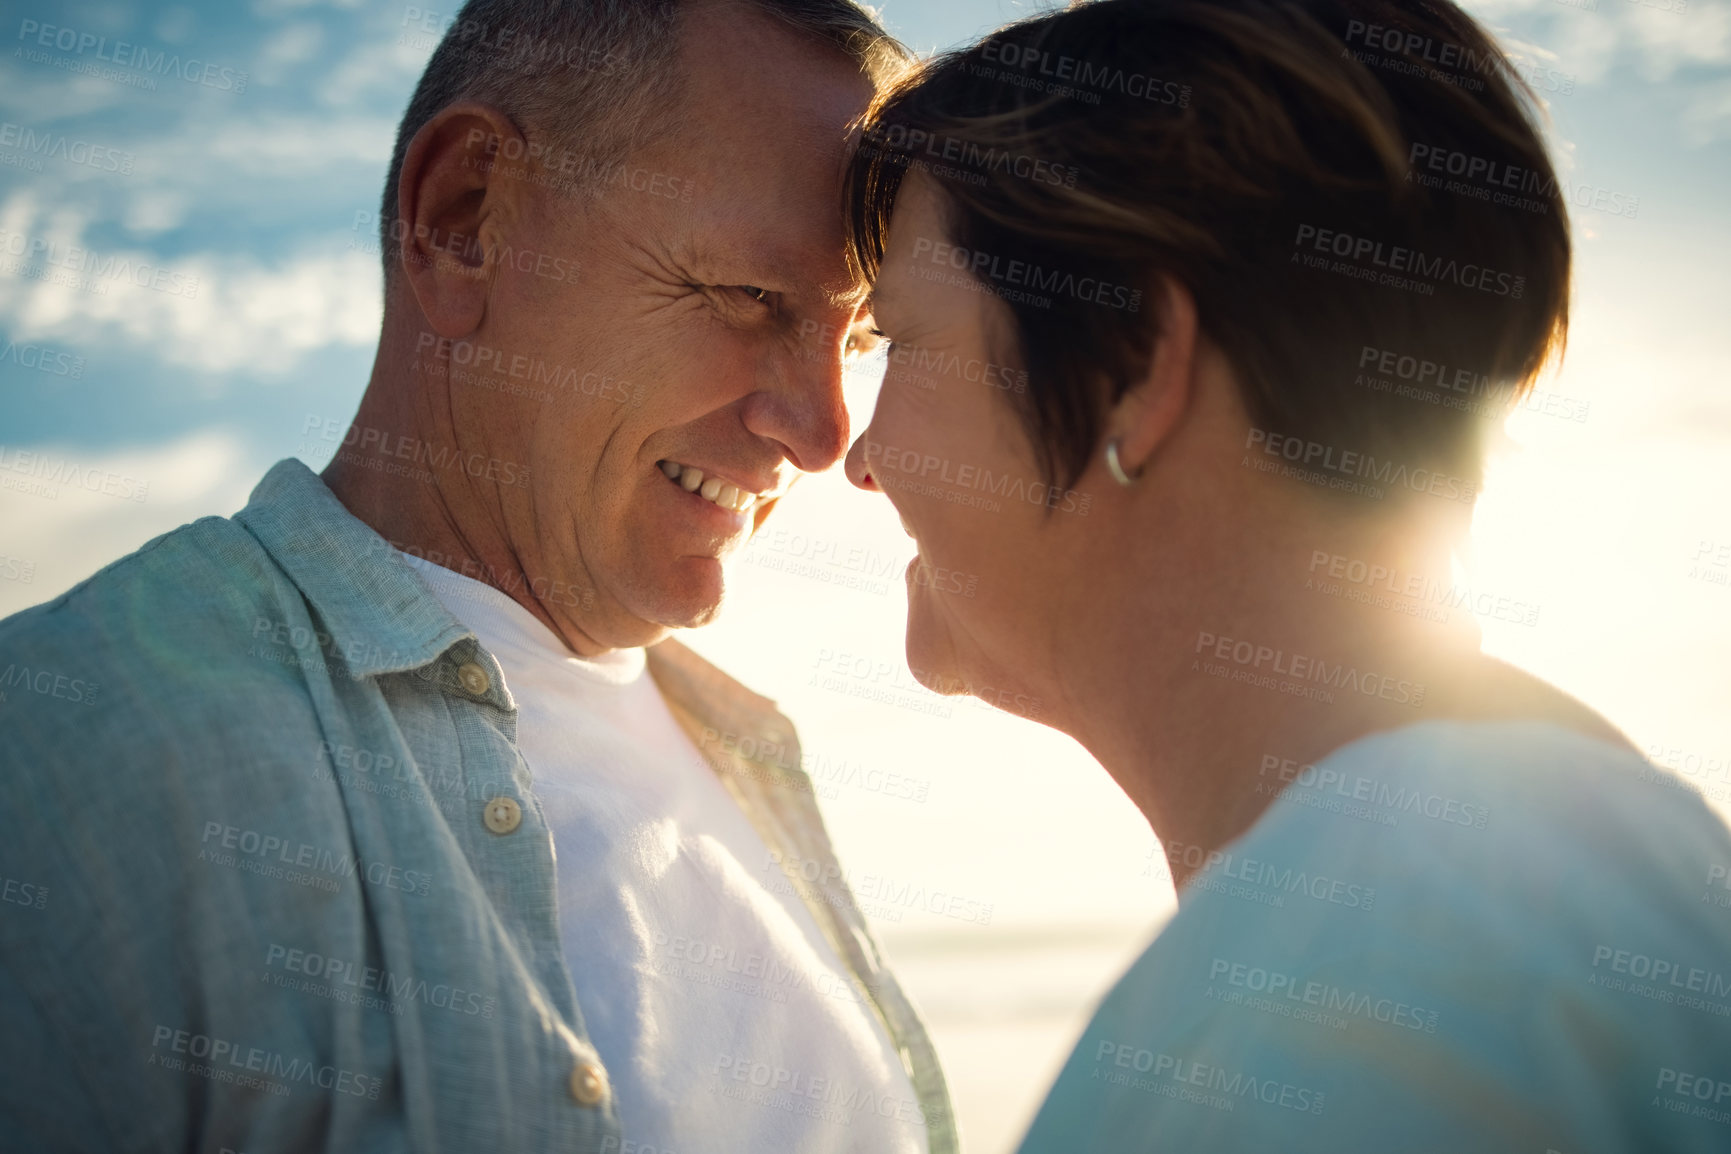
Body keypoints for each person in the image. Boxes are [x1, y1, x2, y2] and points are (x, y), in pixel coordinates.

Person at [0, 1, 956, 1151]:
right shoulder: (61, 757)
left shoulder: (751, 751)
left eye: (860, 339)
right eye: (751, 297)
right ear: (463, 220)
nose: (824, 432)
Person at [840, 0, 1731, 1149]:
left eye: (899, 340)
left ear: (1132, 363)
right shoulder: (1586, 868)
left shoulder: (1373, 990)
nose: (854, 456)